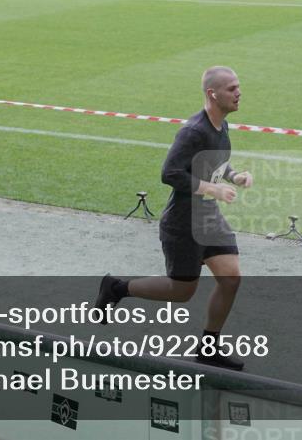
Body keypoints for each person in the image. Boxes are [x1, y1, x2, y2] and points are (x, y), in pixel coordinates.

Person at [95, 66, 253, 370]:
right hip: (183, 223)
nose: (238, 92)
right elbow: (170, 173)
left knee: (231, 277)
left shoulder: (221, 126)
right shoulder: (194, 131)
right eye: (232, 88)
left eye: (238, 87)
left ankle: (209, 347)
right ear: (213, 94)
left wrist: (235, 176)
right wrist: (212, 189)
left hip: (207, 216)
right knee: (182, 292)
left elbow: (217, 163)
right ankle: (116, 288)